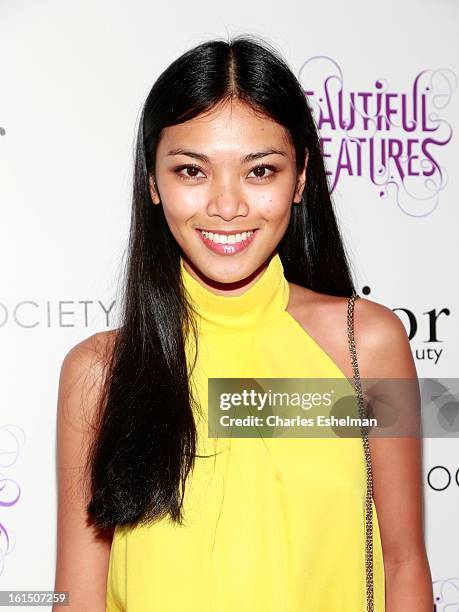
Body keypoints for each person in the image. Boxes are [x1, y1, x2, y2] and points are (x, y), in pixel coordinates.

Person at [53, 34, 433, 611]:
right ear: (153, 182)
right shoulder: (99, 374)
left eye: (259, 171)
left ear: (301, 177)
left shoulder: (367, 344)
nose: (227, 205)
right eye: (191, 171)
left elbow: (404, 562)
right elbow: (78, 598)